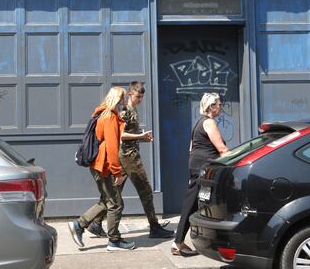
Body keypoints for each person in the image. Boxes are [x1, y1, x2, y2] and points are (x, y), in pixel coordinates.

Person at [86, 82, 173, 239]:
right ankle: (154, 227)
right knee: (145, 190)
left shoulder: (132, 109)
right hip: (128, 156)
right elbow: (120, 135)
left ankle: (96, 223)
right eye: (138, 96)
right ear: (130, 94)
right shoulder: (124, 111)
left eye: (142, 97)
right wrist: (140, 136)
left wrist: (141, 137)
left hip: (126, 156)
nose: (140, 99)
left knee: (114, 194)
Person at [68, 87, 136, 251]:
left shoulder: (103, 113)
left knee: (107, 201)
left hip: (99, 165)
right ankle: (114, 241)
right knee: (116, 204)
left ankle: (80, 224)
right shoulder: (109, 117)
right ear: (118, 99)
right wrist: (117, 172)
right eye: (123, 98)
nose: (125, 101)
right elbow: (112, 148)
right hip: (104, 166)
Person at [172, 92, 230, 256]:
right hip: (204, 169)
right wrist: (238, 160)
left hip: (198, 167)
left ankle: (203, 240)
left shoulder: (199, 122)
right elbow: (222, 149)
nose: (220, 107)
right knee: (192, 205)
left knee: (198, 205)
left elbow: (191, 148)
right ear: (211, 106)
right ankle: (178, 242)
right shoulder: (209, 122)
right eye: (219, 104)